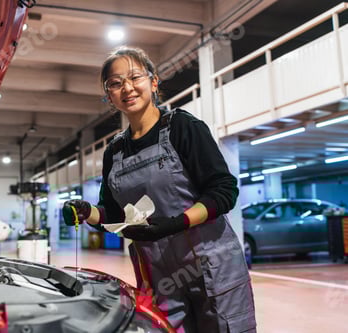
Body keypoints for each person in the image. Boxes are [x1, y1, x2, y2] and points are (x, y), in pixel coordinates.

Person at [62, 46, 256, 332]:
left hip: (212, 268)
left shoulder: (183, 127)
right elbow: (114, 215)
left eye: (135, 77)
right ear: (109, 96)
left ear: (153, 82)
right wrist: (86, 211)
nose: (127, 88)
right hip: (160, 278)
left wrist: (177, 223)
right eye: (115, 84)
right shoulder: (113, 151)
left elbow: (223, 190)